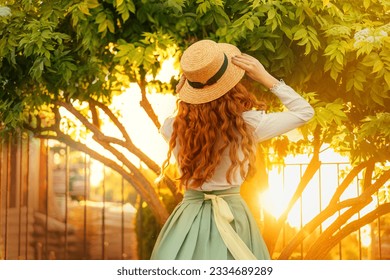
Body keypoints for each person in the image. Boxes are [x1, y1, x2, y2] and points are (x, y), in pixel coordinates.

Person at [151, 39, 314, 260]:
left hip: (187, 220)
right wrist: (266, 77)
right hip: (233, 216)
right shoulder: (247, 124)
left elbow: (174, 118)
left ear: (188, 88)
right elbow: (304, 112)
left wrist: (183, 93)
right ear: (232, 84)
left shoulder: (173, 127)